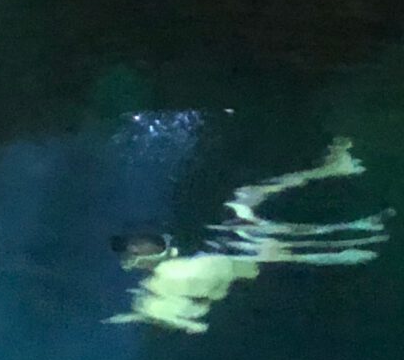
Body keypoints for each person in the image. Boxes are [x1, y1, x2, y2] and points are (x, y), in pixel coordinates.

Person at [109, 137, 387, 334]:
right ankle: (357, 240)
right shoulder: (163, 282)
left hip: (231, 254)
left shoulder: (170, 271)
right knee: (286, 242)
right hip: (239, 260)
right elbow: (193, 315)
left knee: (247, 201)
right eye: (136, 250)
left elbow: (197, 310)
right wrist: (168, 315)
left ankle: (335, 174)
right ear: (136, 262)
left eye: (140, 242)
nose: (140, 245)